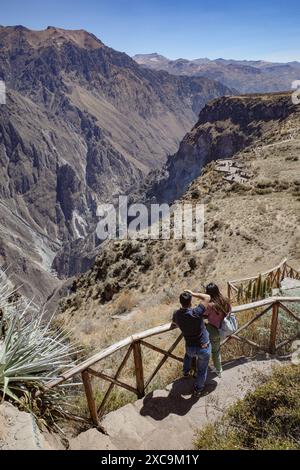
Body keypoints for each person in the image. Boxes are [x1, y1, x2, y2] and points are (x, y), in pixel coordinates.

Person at [172, 290, 211, 397]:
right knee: (202, 370)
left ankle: (186, 372)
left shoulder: (177, 314)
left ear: (180, 302)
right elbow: (207, 297)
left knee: (188, 355)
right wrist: (192, 293)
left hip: (190, 347)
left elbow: (174, 324)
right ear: (190, 302)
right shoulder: (196, 312)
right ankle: (198, 390)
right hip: (203, 346)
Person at [204, 283, 232, 378]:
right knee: (216, 350)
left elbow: (203, 313)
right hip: (224, 328)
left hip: (213, 330)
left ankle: (218, 370)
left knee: (211, 351)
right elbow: (229, 310)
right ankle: (217, 367)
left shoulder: (210, 305)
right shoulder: (225, 300)